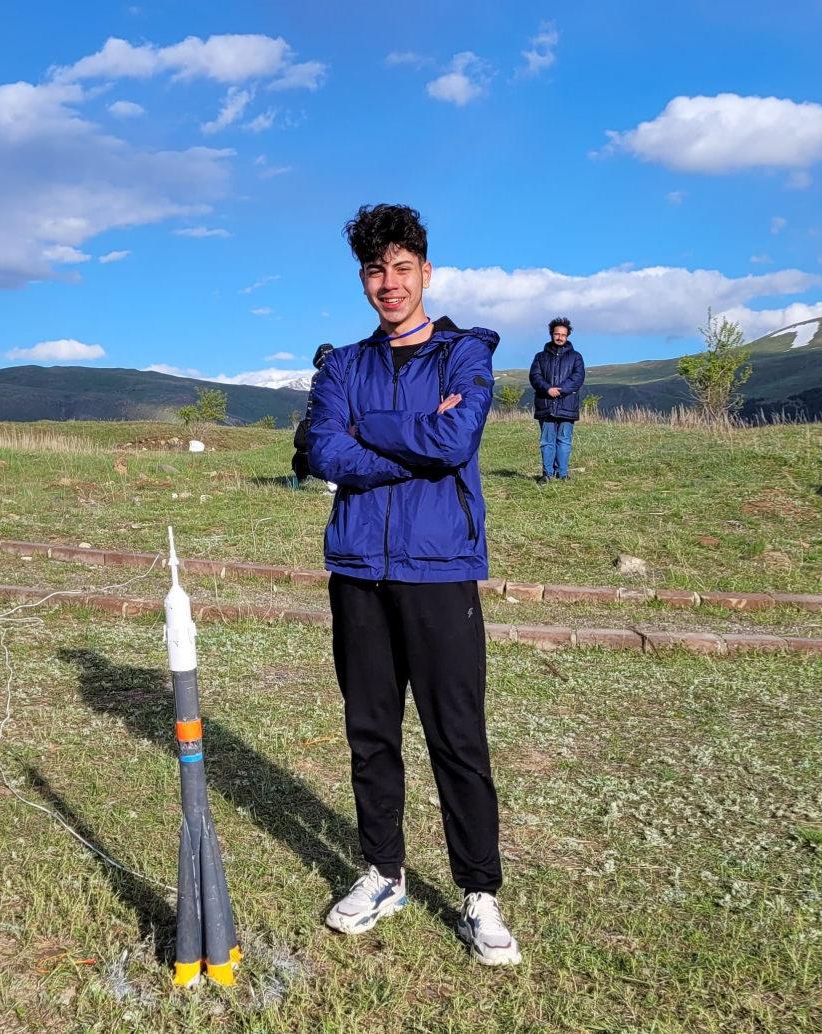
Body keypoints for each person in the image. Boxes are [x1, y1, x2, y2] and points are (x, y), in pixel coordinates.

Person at [306, 203, 521, 966]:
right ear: (363, 278)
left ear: (426, 272)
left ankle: (479, 893)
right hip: (359, 571)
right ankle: (382, 873)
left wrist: (375, 431)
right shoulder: (342, 366)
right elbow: (324, 449)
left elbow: (457, 436)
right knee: (371, 733)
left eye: (402, 268)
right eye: (375, 270)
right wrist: (414, 439)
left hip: (441, 570)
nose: (388, 283)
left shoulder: (466, 354)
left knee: (457, 736)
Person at [528, 317, 585, 483]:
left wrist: (560, 390)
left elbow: (578, 378)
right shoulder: (540, 357)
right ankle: (547, 475)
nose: (560, 337)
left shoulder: (576, 357)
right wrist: (547, 389)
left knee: (564, 440)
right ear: (551, 334)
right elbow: (534, 376)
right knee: (547, 441)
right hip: (545, 404)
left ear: (568, 336)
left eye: (563, 335)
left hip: (567, 404)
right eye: (557, 334)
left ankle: (563, 474)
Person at [290, 343, 334, 487]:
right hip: (333, 420)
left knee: (306, 449)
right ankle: (332, 482)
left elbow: (313, 403)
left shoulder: (319, 375)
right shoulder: (342, 372)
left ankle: (306, 479)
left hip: (317, 420)